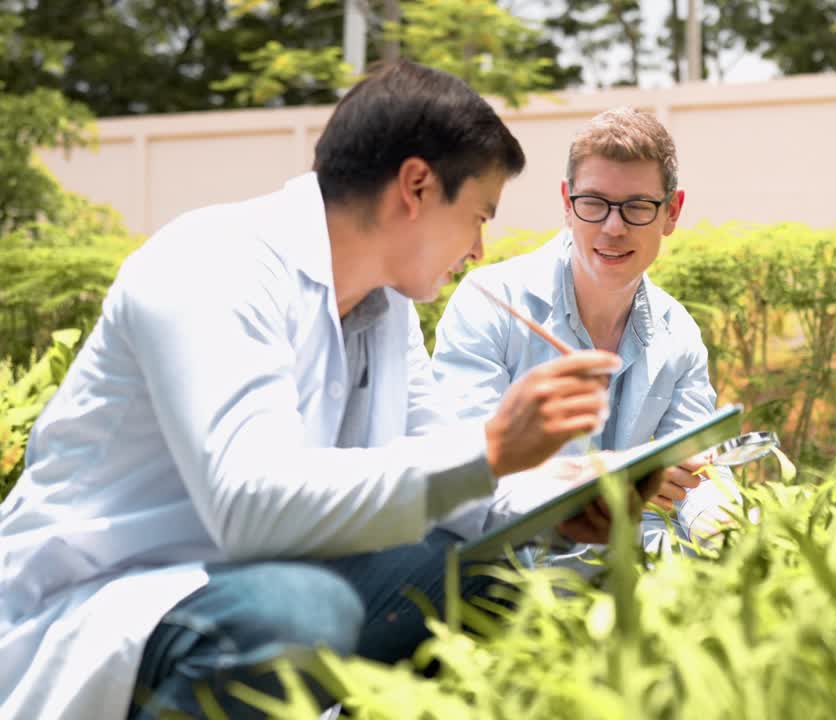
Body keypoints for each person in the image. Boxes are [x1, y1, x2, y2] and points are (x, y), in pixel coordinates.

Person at [0, 62, 666, 719]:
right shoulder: (210, 264)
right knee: (298, 614)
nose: (478, 251)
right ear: (416, 186)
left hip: (245, 582)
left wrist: (560, 498)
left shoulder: (386, 306)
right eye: (477, 216)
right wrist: (493, 447)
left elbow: (443, 471)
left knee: (489, 572)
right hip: (107, 599)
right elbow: (251, 505)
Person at [431, 107, 740, 563]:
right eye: (593, 202)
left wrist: (729, 528)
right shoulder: (490, 303)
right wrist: (607, 480)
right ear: (567, 203)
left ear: (671, 213)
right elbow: (464, 473)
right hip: (511, 573)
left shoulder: (679, 334)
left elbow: (700, 481)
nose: (613, 228)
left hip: (639, 573)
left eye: (638, 206)